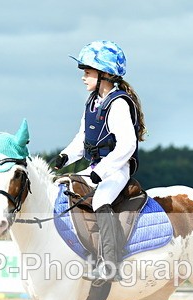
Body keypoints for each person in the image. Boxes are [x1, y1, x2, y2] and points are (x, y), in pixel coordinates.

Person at [54, 40, 147, 283]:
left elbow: (127, 146)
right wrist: (64, 157)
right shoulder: (93, 102)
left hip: (117, 168)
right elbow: (82, 138)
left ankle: (110, 264)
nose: (83, 77)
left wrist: (102, 171)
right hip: (95, 167)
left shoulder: (117, 104)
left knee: (101, 199)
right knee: (60, 187)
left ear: (104, 74)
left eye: (87, 72)